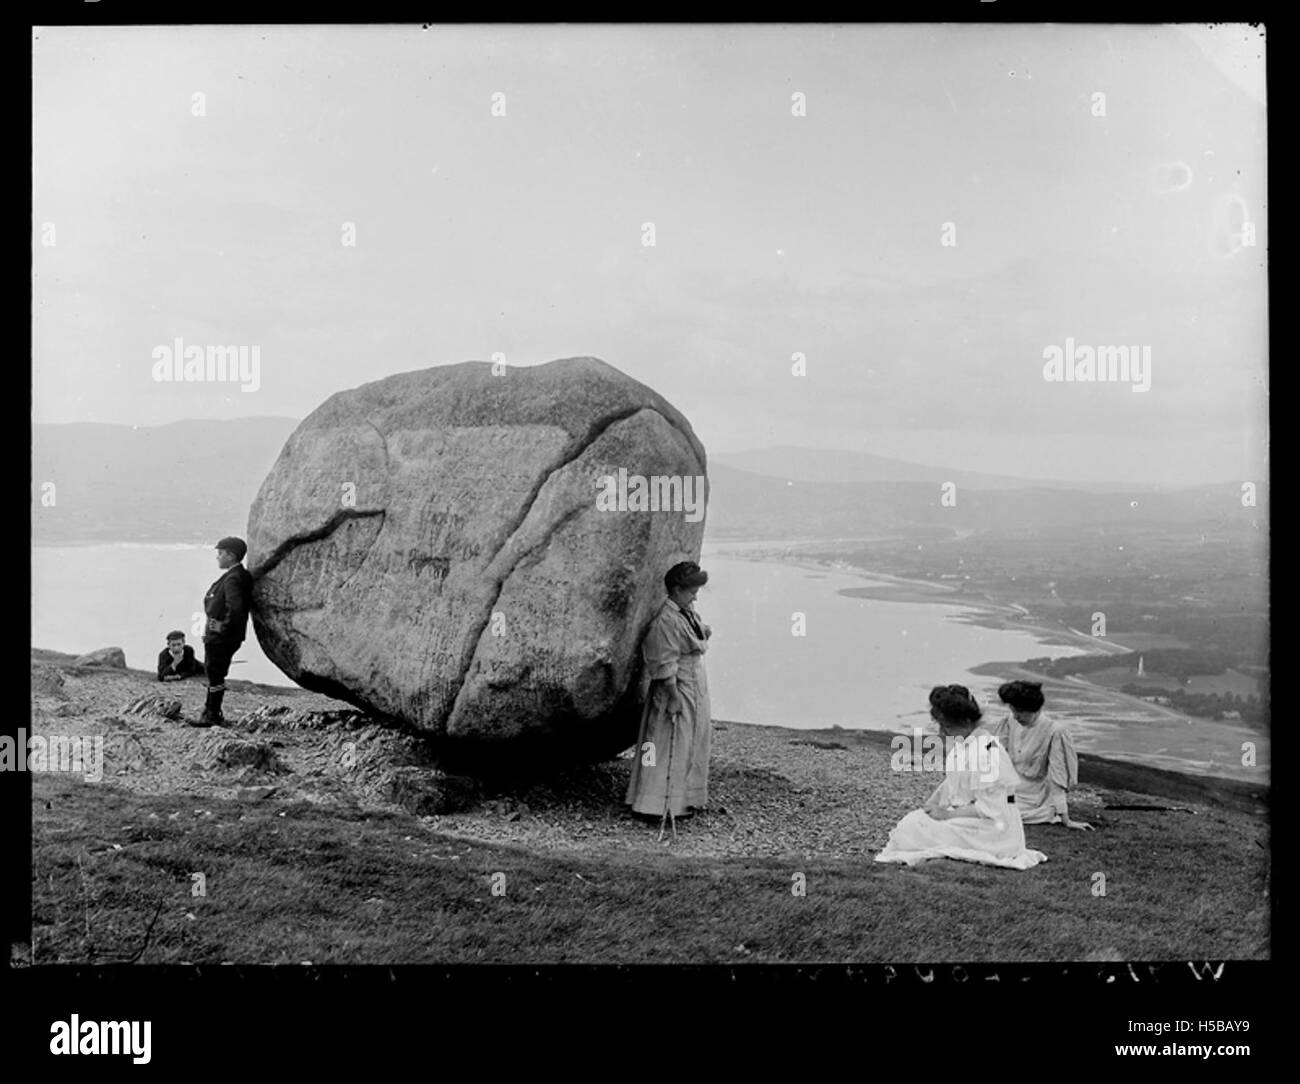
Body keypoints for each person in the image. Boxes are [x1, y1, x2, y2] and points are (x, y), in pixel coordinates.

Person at [876, 684, 1047, 870]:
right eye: (940, 726)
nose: (942, 733)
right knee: (914, 821)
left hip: (996, 831)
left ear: (966, 722)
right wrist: (933, 804)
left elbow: (992, 809)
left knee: (913, 827)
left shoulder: (986, 751)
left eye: (947, 727)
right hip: (977, 819)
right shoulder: (966, 744)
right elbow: (951, 782)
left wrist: (947, 815)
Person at [625, 561, 713, 831]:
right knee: (667, 742)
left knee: (690, 741)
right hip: (677, 687)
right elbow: (663, 662)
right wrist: (673, 697)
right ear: (676, 589)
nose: (695, 596)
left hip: (695, 684)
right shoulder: (665, 620)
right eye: (691, 591)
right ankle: (655, 804)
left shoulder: (686, 612)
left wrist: (704, 633)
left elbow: (693, 637)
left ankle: (682, 800)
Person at [991, 680, 1092, 829]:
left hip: (1035, 797)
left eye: (1021, 712)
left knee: (996, 813)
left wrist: (1066, 820)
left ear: (1035, 709)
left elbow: (1057, 777)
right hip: (1008, 788)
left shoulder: (1055, 731)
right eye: (1013, 710)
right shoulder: (1009, 722)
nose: (1016, 716)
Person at [192, 536, 254, 728]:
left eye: (220, 553)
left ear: (231, 555)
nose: (217, 557)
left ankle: (212, 714)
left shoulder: (233, 577)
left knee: (215, 674)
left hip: (221, 637)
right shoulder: (238, 575)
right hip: (224, 635)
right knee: (215, 673)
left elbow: (235, 608)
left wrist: (221, 627)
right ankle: (211, 711)